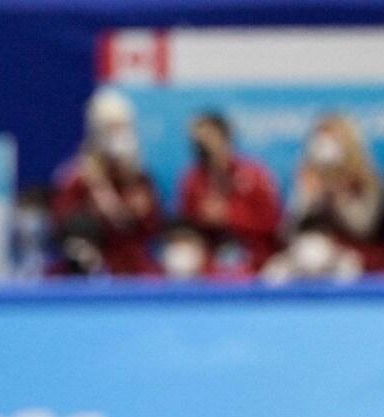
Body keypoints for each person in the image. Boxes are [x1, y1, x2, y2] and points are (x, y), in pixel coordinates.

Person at [51, 88, 163, 275]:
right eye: (111, 127)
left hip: (133, 268)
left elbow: (150, 225)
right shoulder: (78, 178)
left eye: (123, 127)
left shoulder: (139, 179)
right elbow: (62, 222)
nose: (118, 134)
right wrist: (95, 188)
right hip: (89, 268)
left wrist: (120, 194)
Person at [177, 111, 282, 276]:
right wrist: (202, 218)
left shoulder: (254, 174)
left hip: (256, 253)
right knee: (180, 259)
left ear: (224, 136)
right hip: (209, 255)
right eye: (197, 140)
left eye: (208, 137)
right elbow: (185, 223)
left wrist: (230, 215)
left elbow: (271, 221)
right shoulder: (192, 179)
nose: (203, 144)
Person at [287, 114, 384, 271]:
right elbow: (288, 231)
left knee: (346, 268)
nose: (326, 147)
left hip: (354, 253)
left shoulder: (365, 179)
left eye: (332, 140)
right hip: (310, 250)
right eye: (321, 141)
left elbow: (365, 228)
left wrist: (340, 195)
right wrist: (308, 197)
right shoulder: (308, 176)